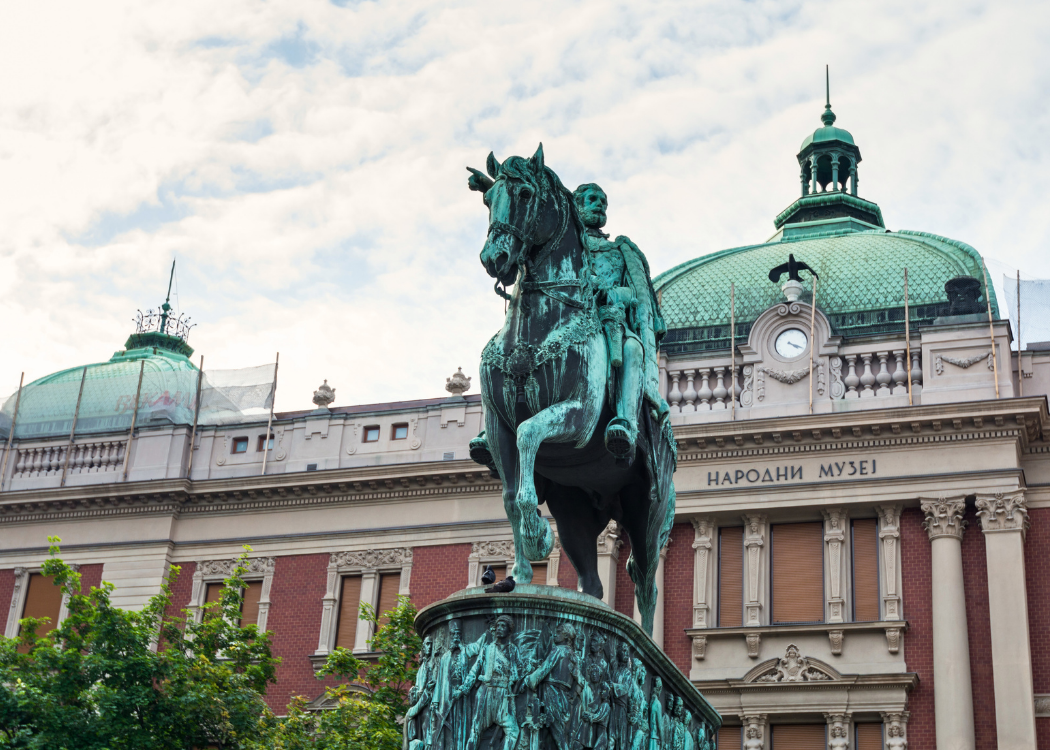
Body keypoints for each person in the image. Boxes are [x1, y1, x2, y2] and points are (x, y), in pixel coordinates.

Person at [573, 183, 669, 461]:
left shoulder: (617, 251)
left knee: (632, 349)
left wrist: (610, 293)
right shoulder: (563, 248)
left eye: (603, 201)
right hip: (566, 316)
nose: (599, 205)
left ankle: (625, 422)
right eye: (592, 200)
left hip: (606, 318)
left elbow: (635, 294)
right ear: (577, 205)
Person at [463, 616, 520, 750]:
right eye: (497, 626)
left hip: (504, 696)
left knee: (513, 732)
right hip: (486, 693)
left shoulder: (513, 650)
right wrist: (464, 687)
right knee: (475, 730)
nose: (499, 629)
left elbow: (520, 671)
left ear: (509, 630)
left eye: (503, 626)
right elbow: (475, 669)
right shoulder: (487, 649)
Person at [525, 623, 582, 750]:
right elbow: (580, 681)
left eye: (559, 632)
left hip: (552, 694)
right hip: (564, 698)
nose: (555, 634)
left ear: (566, 636)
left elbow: (545, 669)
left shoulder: (558, 650)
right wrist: (572, 695)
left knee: (558, 735)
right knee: (552, 733)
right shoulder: (573, 656)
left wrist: (529, 680)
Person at [433, 620, 485, 750]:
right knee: (447, 725)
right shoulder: (445, 657)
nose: (456, 637)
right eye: (453, 635)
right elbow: (439, 680)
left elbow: (478, 646)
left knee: (461, 724)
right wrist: (435, 701)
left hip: (462, 697)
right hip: (447, 695)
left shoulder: (466, 651)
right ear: (450, 636)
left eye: (458, 634)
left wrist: (488, 631)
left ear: (461, 636)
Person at [404, 636, 436, 750]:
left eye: (431, 644)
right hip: (425, 703)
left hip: (428, 701)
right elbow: (419, 701)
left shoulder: (430, 664)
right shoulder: (412, 711)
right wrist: (425, 692)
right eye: (427, 644)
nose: (430, 647)